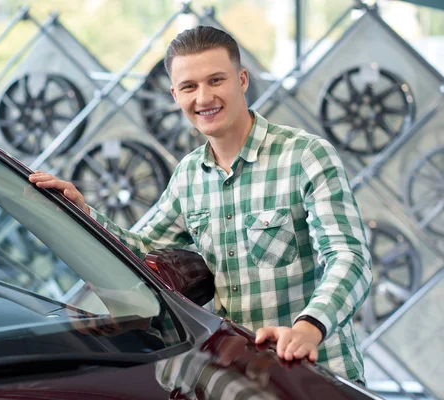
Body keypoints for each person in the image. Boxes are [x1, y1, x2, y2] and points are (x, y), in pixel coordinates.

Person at [29, 25, 372, 383]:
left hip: (316, 377)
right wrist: (83, 213)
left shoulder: (305, 155)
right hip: (240, 382)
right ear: (175, 94)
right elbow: (143, 252)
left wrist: (309, 327)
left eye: (216, 80)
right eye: (189, 87)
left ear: (242, 80)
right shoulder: (189, 175)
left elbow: (350, 257)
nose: (204, 98)